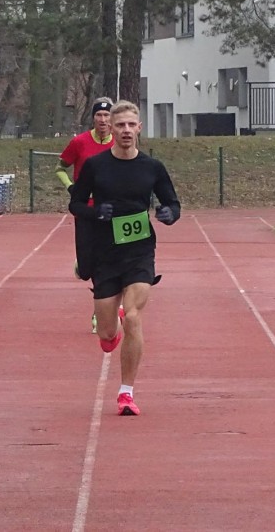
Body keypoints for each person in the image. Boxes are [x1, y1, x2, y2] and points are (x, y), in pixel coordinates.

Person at [69, 100, 180, 416]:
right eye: (120, 125)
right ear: (111, 129)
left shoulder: (152, 167)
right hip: (105, 252)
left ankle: (126, 393)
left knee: (133, 316)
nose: (126, 130)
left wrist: (170, 214)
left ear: (140, 128)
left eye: (132, 124)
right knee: (107, 334)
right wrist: (95, 212)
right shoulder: (96, 166)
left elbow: (173, 203)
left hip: (139, 250)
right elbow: (75, 204)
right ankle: (110, 329)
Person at [57, 97, 115, 332]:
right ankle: (82, 264)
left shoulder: (119, 143)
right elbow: (60, 168)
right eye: (99, 115)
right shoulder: (79, 142)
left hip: (110, 210)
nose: (103, 119)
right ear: (93, 118)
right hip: (85, 209)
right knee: (87, 268)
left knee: (109, 261)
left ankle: (100, 314)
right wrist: (71, 187)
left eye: (107, 115)